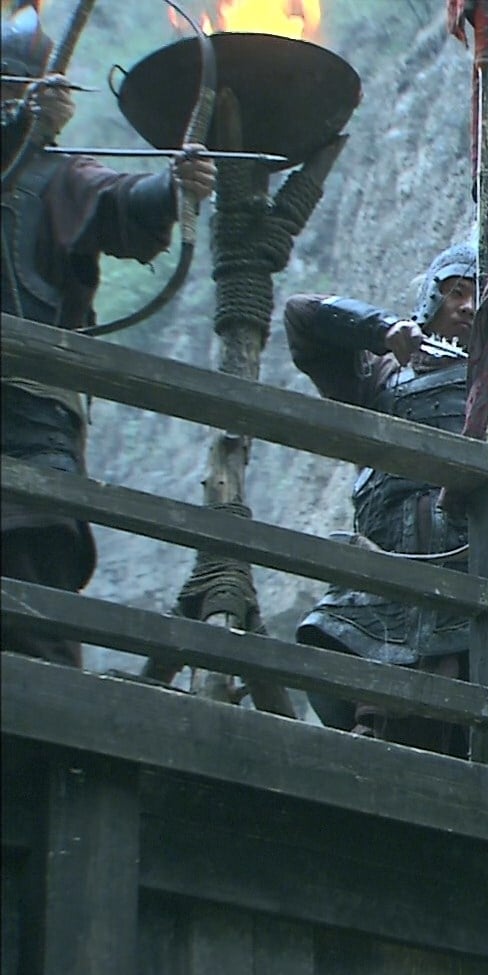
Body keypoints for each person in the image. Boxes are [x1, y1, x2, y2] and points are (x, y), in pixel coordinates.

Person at [284, 241, 488, 780]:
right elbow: (301, 315)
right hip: (393, 569)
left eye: (481, 299)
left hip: (474, 564)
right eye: (456, 293)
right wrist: (381, 330)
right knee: (385, 720)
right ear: (429, 299)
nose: (468, 307)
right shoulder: (377, 375)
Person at [0, 6, 215, 665]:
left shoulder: (56, 177)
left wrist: (173, 185)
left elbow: (120, 202)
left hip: (29, 425)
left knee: (36, 623)